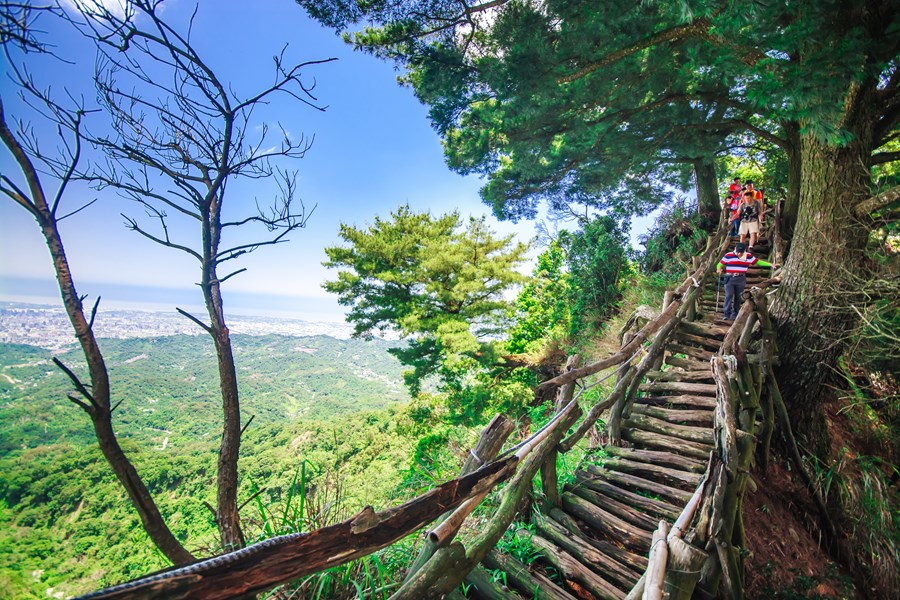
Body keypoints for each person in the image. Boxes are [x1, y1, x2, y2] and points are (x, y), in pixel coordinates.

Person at [716, 242, 774, 320]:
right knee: (729, 295)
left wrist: (770, 264)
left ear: (745, 250)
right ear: (735, 249)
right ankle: (726, 314)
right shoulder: (728, 255)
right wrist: (719, 269)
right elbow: (719, 264)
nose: (739, 254)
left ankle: (735, 315)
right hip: (730, 278)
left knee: (738, 297)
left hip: (740, 278)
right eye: (738, 252)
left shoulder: (748, 256)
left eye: (741, 252)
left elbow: (758, 262)